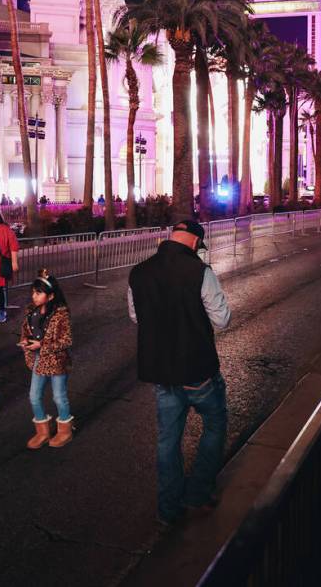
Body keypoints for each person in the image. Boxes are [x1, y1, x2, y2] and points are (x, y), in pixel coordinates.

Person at [127, 220, 231, 525]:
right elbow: (222, 319)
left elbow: (136, 317)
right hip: (197, 369)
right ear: (194, 242)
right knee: (215, 423)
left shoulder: (139, 272)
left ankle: (168, 510)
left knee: (167, 440)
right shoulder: (201, 272)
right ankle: (197, 492)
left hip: (162, 371)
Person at [21, 270, 75, 448]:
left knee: (59, 397)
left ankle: (65, 430)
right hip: (38, 358)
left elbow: (66, 340)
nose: (34, 296)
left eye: (38, 293)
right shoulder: (31, 311)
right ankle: (43, 431)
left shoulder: (61, 314)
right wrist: (25, 341)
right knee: (34, 396)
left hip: (57, 361)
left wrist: (41, 346)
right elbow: (27, 332)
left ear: (51, 296)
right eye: (33, 292)